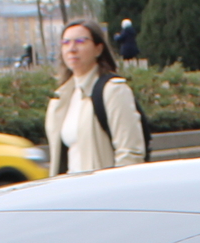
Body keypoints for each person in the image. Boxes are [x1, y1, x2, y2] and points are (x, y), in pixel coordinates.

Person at [44, 20, 147, 172]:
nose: (71, 49)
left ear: (98, 49)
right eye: (65, 43)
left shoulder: (113, 90)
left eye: (80, 41)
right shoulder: (62, 97)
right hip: (72, 191)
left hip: (101, 192)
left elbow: (130, 153)